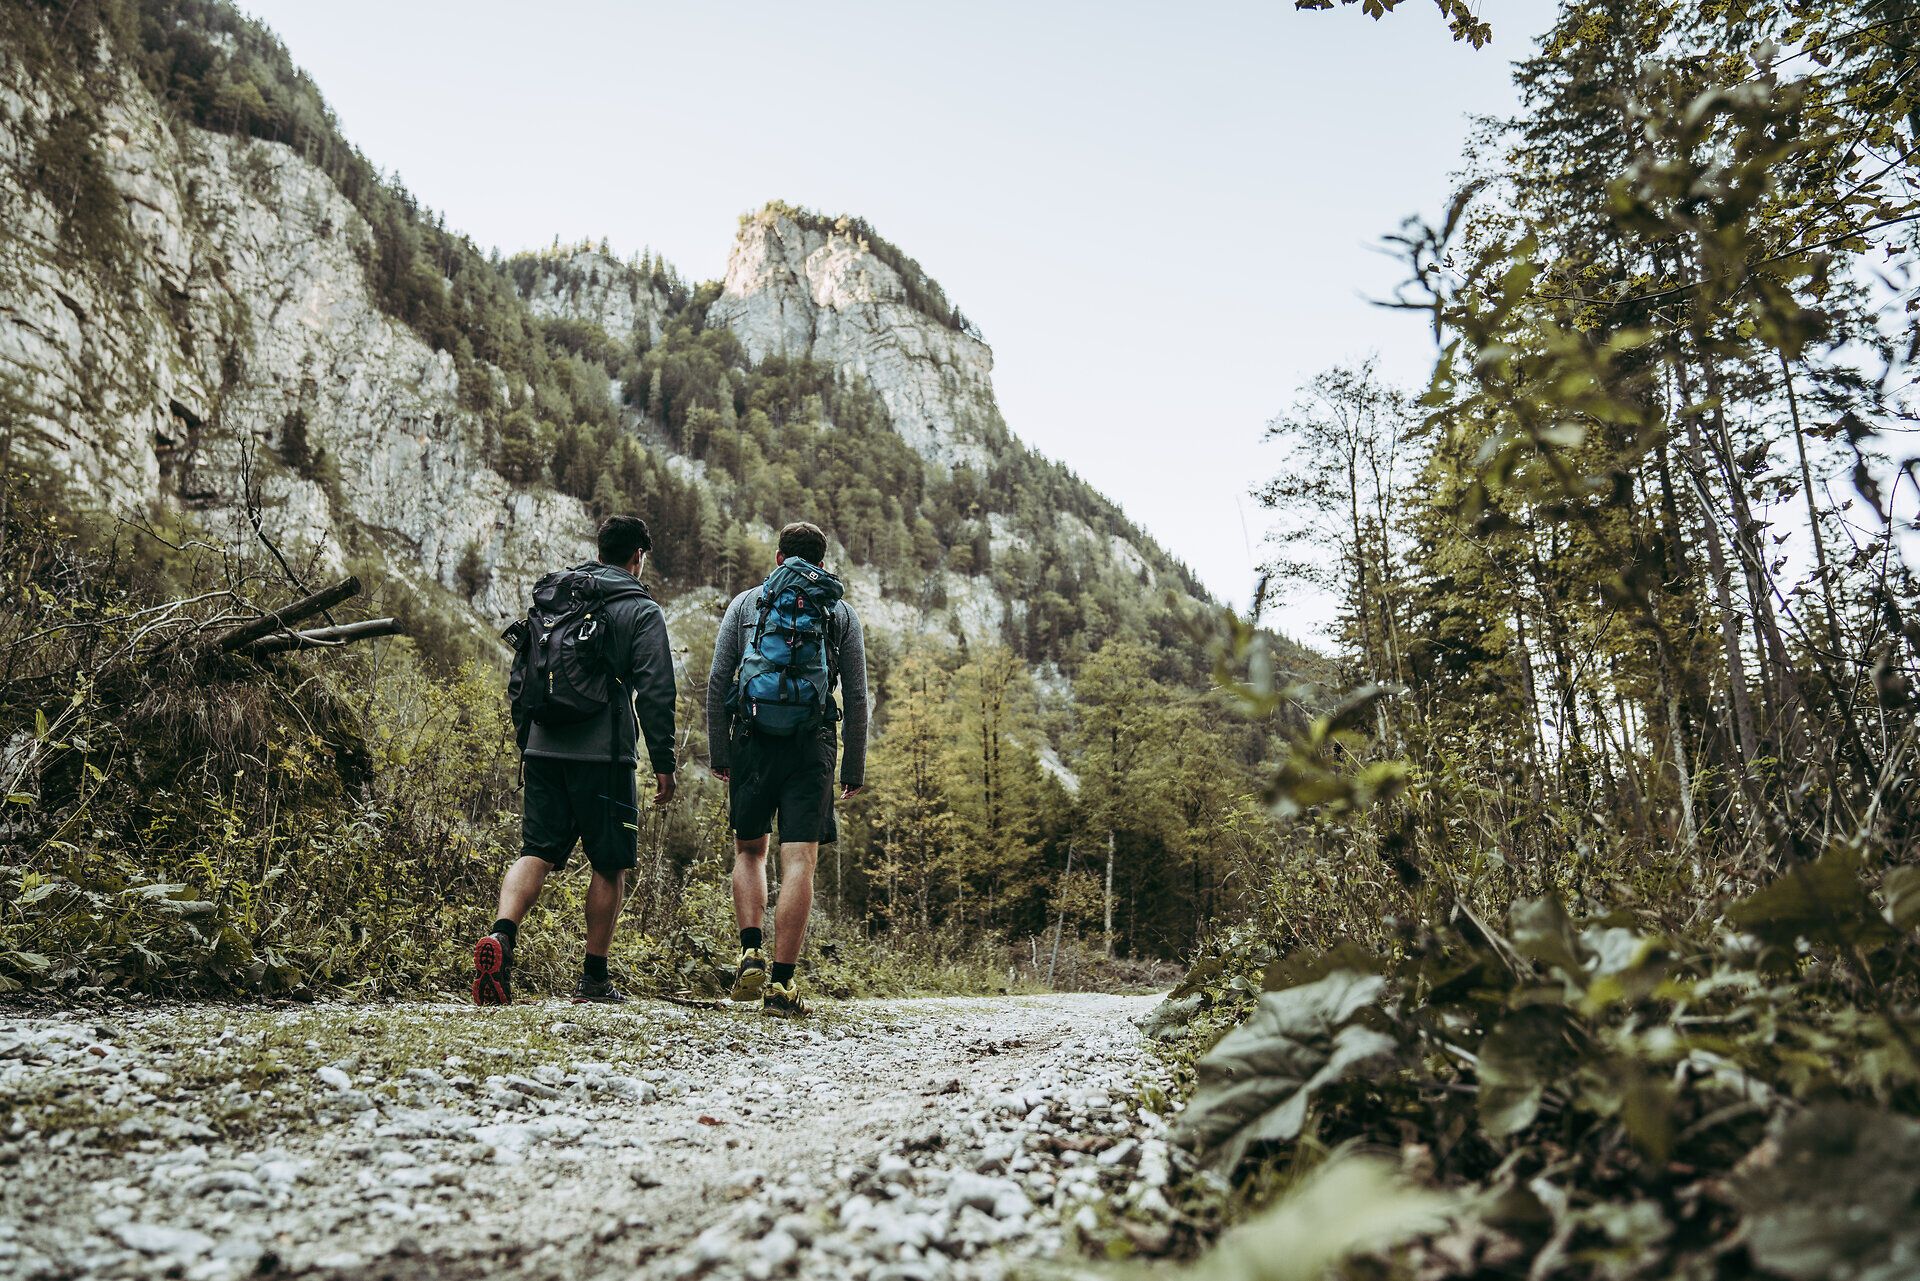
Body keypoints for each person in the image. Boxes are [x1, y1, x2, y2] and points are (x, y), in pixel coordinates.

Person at [473, 514, 677, 1006]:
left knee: (536, 851)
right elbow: (655, 690)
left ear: (600, 549)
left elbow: (522, 675)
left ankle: (501, 937)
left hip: (543, 746)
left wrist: (530, 742)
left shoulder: (558, 595)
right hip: (603, 757)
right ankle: (594, 979)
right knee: (609, 864)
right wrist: (664, 761)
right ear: (638, 557)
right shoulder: (639, 609)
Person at [707, 521, 869, 1016]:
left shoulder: (747, 604)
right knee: (799, 860)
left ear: (778, 558)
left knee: (749, 850)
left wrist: (721, 753)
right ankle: (781, 984)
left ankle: (751, 949)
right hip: (811, 745)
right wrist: (853, 765)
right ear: (822, 563)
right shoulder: (838, 611)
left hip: (752, 739)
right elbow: (857, 695)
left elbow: (718, 680)